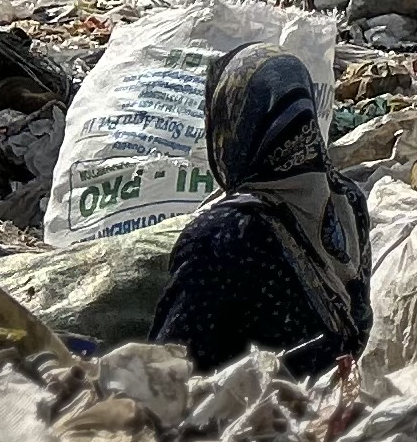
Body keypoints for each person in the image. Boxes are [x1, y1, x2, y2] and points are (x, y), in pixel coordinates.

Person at [153, 43, 372, 378]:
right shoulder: (347, 198)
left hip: (253, 407)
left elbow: (169, 372)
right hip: (338, 397)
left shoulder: (223, 235)